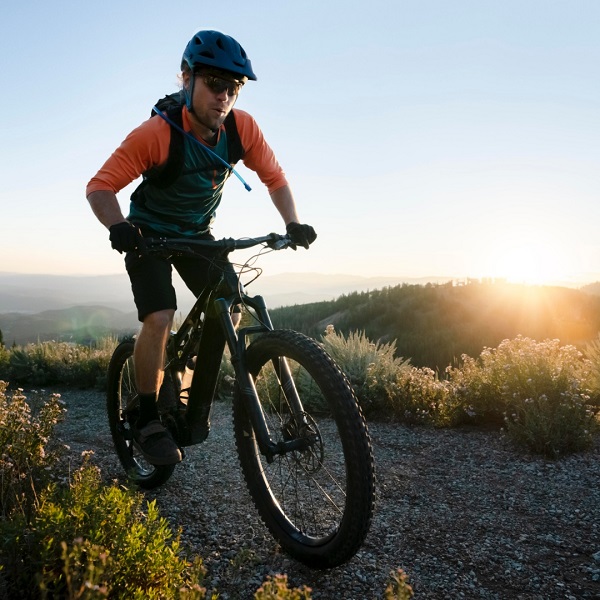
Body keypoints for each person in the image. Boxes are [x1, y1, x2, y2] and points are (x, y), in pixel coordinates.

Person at [86, 30, 316, 466]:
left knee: (228, 302)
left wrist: (293, 223)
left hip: (196, 235)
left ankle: (186, 386)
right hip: (147, 235)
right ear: (187, 78)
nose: (224, 97)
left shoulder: (240, 128)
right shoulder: (156, 134)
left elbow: (276, 178)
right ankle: (148, 416)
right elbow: (100, 187)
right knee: (160, 316)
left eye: (233, 88)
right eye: (214, 84)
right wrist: (118, 226)